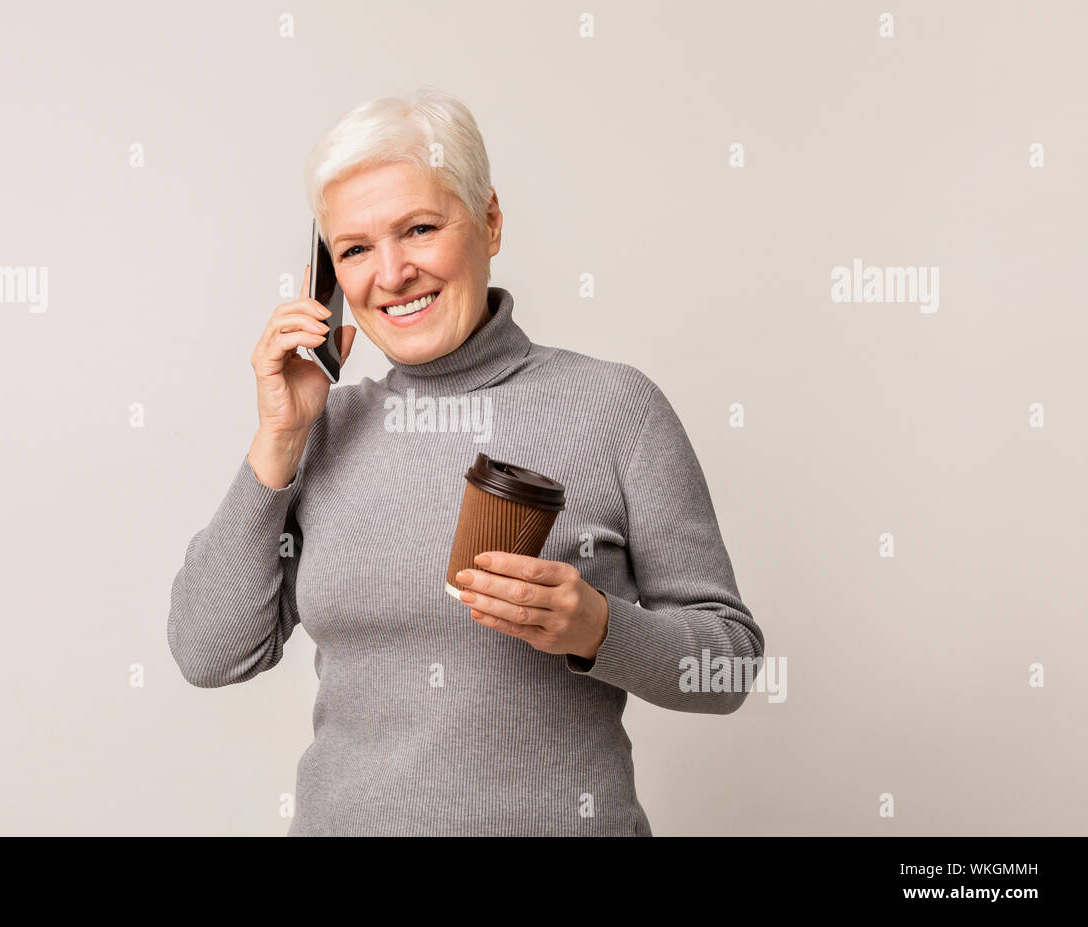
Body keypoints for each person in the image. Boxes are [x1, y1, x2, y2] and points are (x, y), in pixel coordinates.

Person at [167, 86, 764, 836]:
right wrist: (279, 439)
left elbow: (732, 666)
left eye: (418, 228)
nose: (390, 273)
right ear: (330, 276)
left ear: (489, 221)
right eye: (354, 249)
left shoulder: (616, 408)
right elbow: (208, 651)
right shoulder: (323, 431)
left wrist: (597, 626)